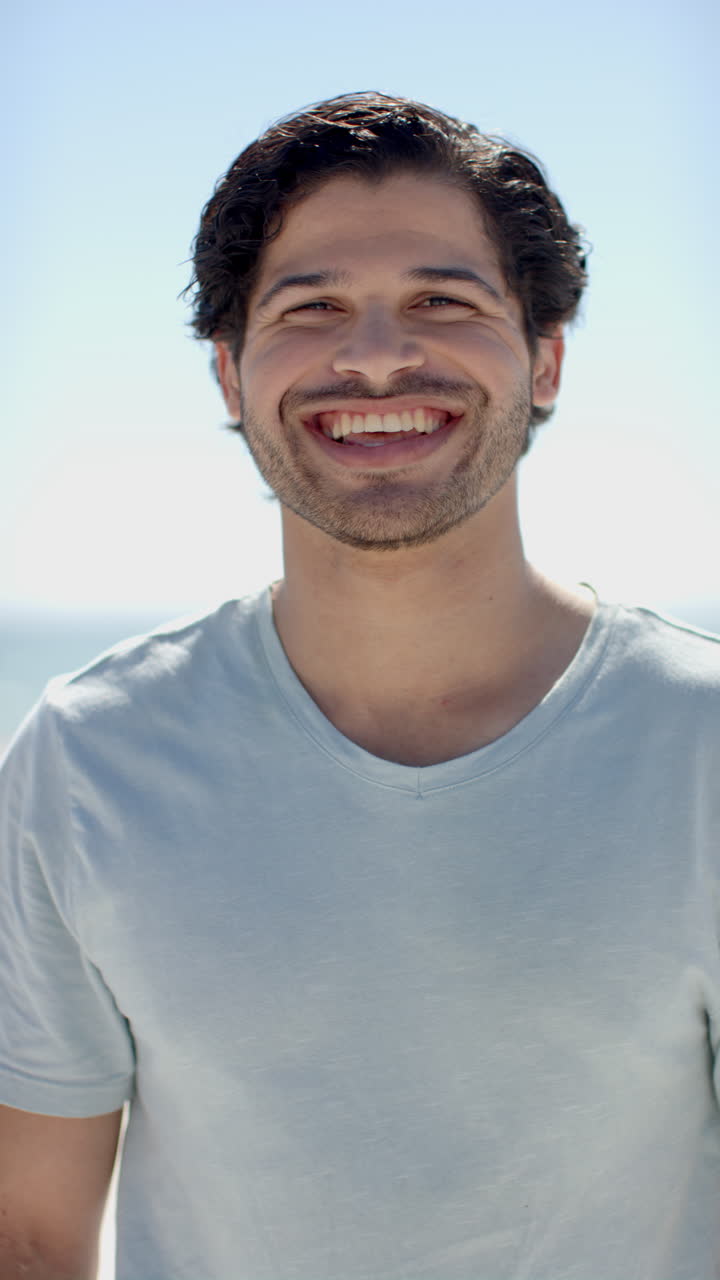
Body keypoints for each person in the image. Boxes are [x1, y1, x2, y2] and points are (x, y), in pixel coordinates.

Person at [1, 91, 718, 1280]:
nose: (378, 353)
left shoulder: (698, 746)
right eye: (313, 306)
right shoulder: (87, 757)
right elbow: (29, 1234)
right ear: (229, 375)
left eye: (442, 301)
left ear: (544, 359)